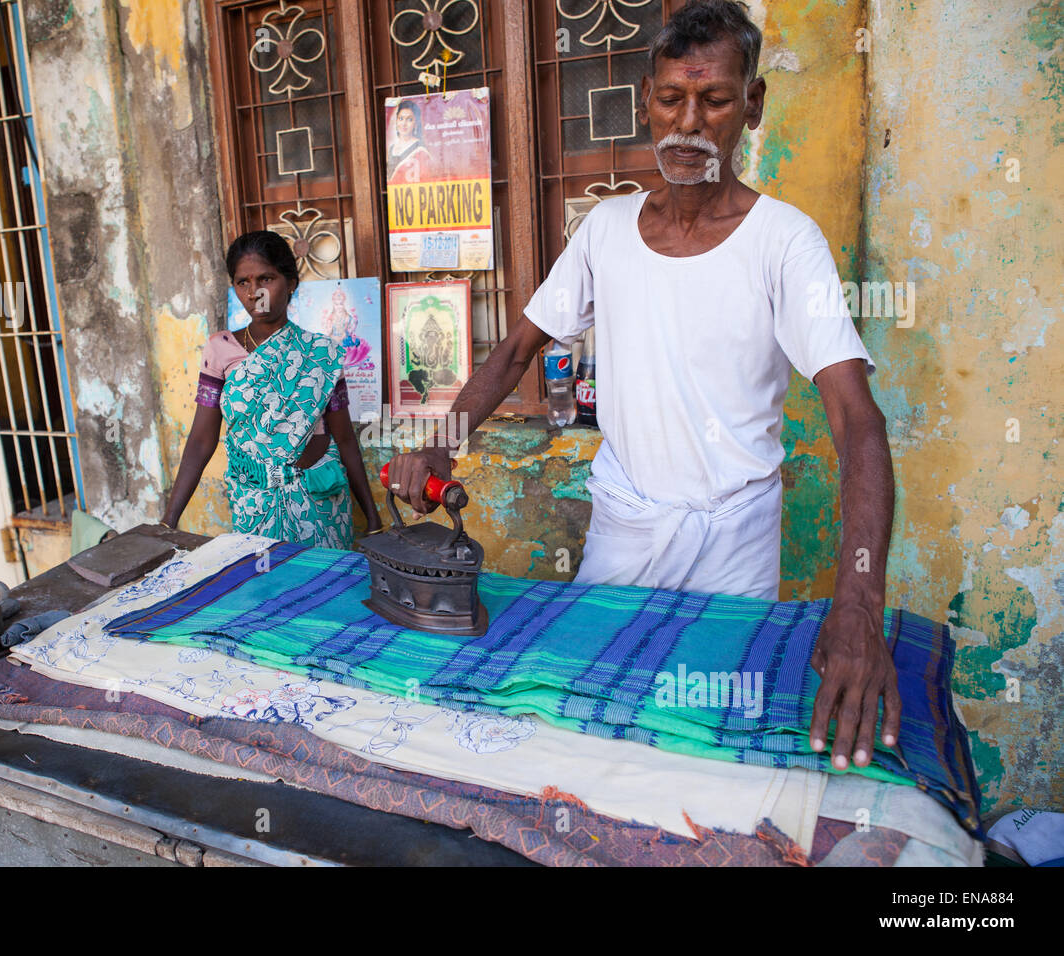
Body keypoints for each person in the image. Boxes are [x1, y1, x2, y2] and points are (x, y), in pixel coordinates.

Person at [386, 0, 901, 773]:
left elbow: (857, 422)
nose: (689, 122)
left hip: (733, 543)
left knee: (710, 752)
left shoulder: (786, 243)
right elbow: (518, 347)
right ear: (646, 104)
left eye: (716, 99)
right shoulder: (605, 230)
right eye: (671, 99)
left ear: (752, 106)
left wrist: (858, 600)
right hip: (625, 530)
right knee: (582, 731)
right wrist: (439, 443)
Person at [161, 231, 381, 546]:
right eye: (243, 282)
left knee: (324, 589)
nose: (254, 293)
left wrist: (372, 519)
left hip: (320, 503)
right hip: (255, 504)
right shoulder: (220, 349)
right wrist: (169, 521)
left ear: (290, 283)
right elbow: (200, 440)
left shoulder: (323, 352)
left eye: (266, 279)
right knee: (265, 590)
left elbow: (345, 439)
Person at [387, 99, 431, 183]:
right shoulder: (391, 148)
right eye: (401, 118)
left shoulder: (420, 148)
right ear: (396, 121)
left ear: (415, 124)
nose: (404, 124)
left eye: (409, 119)